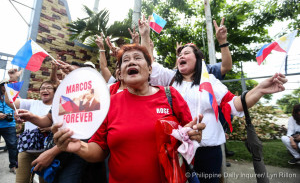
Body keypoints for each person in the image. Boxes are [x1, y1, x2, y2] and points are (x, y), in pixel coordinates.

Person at [50, 44, 206, 183]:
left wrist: (194, 135)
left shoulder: (170, 95)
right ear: (120, 73)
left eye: (138, 58)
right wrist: (79, 147)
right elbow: (99, 150)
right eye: (125, 60)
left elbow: (189, 132)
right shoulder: (108, 103)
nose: (132, 62)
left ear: (150, 69)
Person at [149, 43, 287, 182]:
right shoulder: (170, 79)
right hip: (177, 150)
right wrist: (145, 35)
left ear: (198, 59)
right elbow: (149, 66)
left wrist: (260, 89)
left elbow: (235, 104)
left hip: (208, 152)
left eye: (186, 53)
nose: (181, 56)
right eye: (179, 55)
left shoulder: (210, 81)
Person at [5, 80, 55, 183]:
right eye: (42, 88)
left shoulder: (58, 108)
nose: (45, 90)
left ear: (55, 91)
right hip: (26, 150)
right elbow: (9, 101)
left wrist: (50, 128)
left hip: (46, 153)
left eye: (49, 88)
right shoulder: (31, 103)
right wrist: (13, 79)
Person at [0, 80, 18, 174]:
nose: (6, 86)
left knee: (13, 145)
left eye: (8, 84)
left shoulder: (14, 95)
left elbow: (19, 107)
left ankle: (13, 165)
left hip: (9, 125)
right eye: (4, 84)